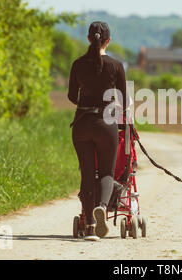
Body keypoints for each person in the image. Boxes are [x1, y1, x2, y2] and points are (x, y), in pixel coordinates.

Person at [68, 21, 127, 241]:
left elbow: (72, 96)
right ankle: (102, 206)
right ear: (108, 41)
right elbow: (125, 100)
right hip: (106, 124)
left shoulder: (78, 64)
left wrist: (86, 100)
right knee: (106, 173)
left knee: (87, 173)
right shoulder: (116, 65)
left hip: (82, 124)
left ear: (88, 39)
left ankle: (90, 226)